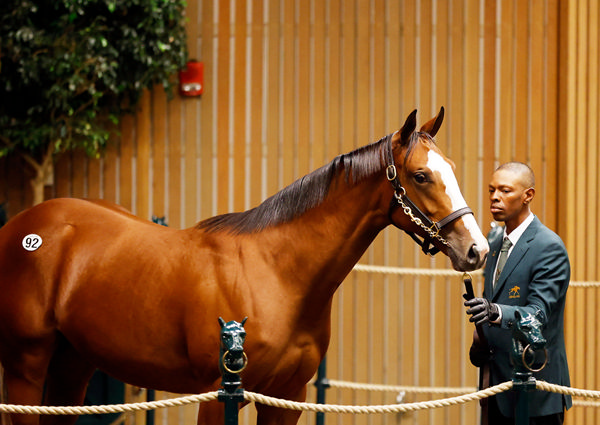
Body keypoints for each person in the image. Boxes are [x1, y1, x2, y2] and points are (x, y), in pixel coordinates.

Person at [464, 162, 571, 425]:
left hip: (535, 395)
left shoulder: (549, 247)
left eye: (505, 190)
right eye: (491, 190)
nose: (495, 197)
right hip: (497, 388)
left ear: (528, 196)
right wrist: (481, 337)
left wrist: (496, 312)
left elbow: (538, 314)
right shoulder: (495, 242)